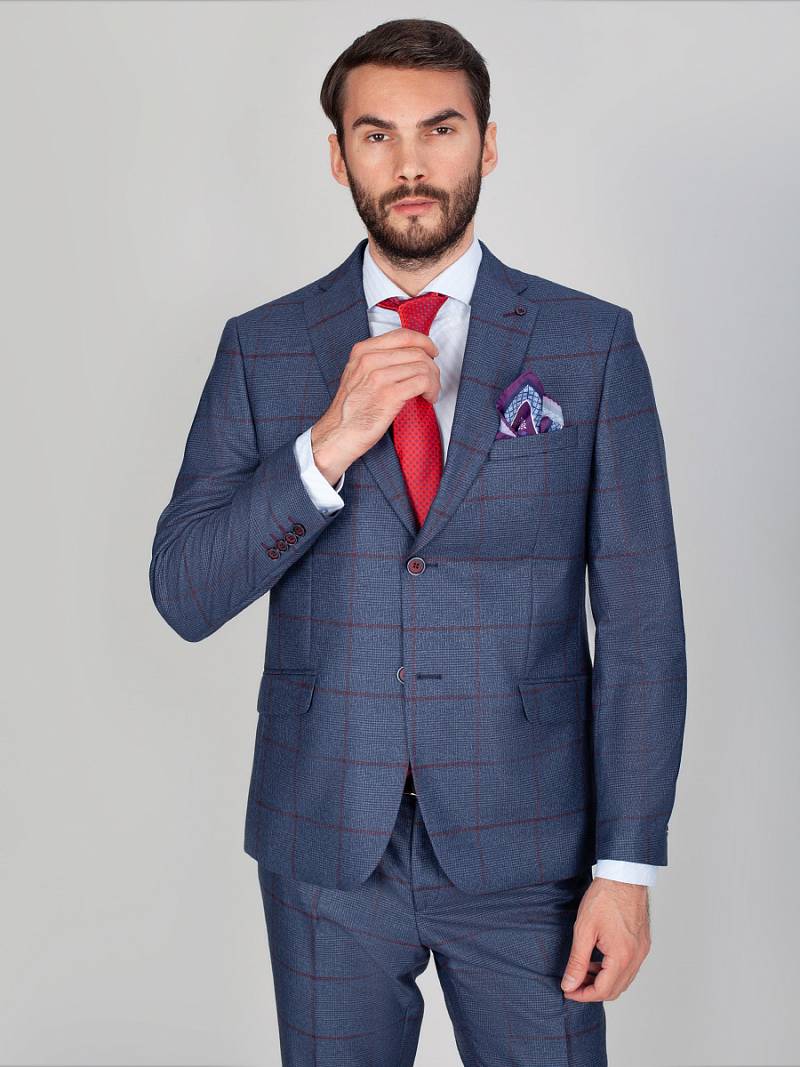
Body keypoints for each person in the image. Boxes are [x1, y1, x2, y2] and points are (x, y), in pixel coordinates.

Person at [149, 18, 687, 1066]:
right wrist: (323, 447)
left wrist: (626, 866)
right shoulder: (263, 348)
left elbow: (641, 625)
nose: (408, 165)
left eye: (439, 129)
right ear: (337, 155)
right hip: (324, 841)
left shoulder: (588, 344)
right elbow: (184, 591)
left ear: (488, 142)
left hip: (529, 842)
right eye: (375, 134)